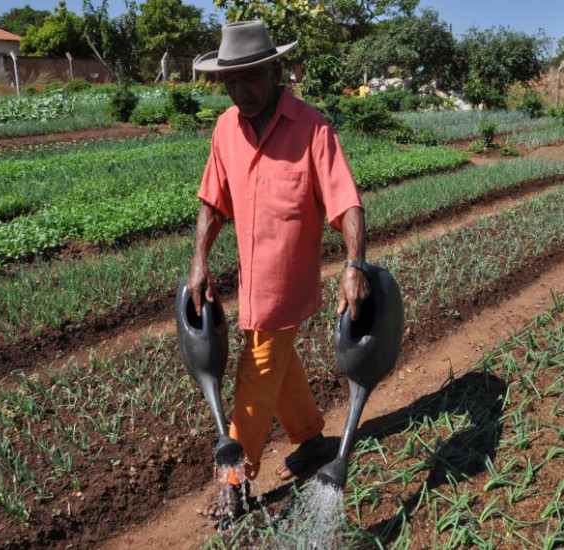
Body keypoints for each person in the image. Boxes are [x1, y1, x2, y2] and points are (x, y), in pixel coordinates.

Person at [188, 20, 369, 518]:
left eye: (250, 78)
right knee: (277, 361)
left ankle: (234, 480)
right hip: (252, 282)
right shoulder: (226, 128)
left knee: (257, 371)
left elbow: (347, 203)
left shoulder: (313, 128)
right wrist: (199, 260)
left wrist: (354, 263)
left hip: (289, 284)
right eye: (230, 81)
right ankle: (311, 440)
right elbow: (212, 201)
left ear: (275, 70)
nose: (239, 91)